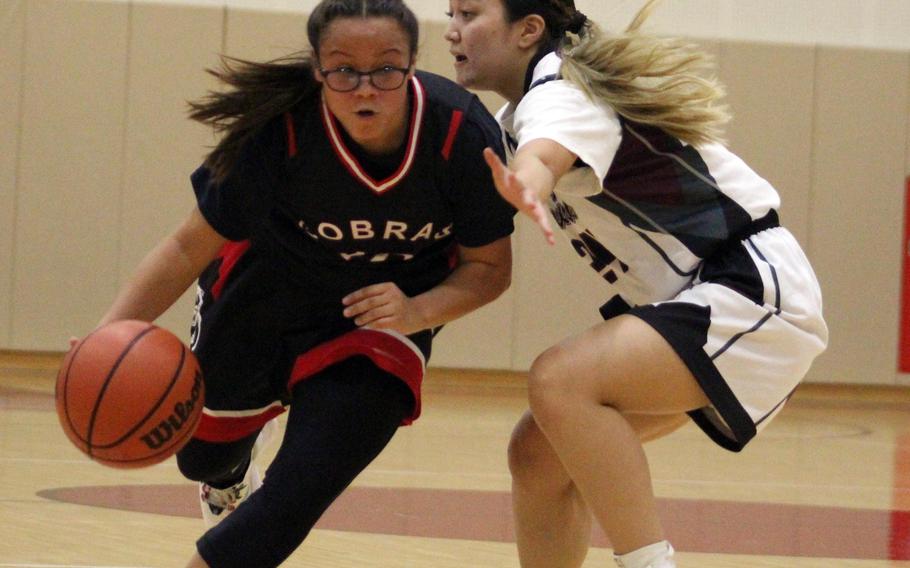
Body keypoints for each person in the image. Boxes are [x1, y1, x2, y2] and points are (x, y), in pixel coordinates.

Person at [83, 0, 514, 566]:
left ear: (413, 65)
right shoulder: (279, 130)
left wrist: (418, 311)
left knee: (298, 491)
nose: (366, 89)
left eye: (386, 69)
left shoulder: (460, 133)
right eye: (343, 70)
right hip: (266, 292)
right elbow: (188, 245)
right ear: (317, 69)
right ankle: (228, 474)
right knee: (201, 458)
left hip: (380, 317)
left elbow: (489, 270)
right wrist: (106, 335)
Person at [444, 1, 828, 567]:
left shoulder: (561, 90)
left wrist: (526, 182)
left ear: (528, 30)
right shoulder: (520, 114)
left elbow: (542, 156)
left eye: (470, 12)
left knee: (560, 381)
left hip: (749, 287)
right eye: (449, 12)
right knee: (538, 455)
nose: (452, 28)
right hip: (707, 297)